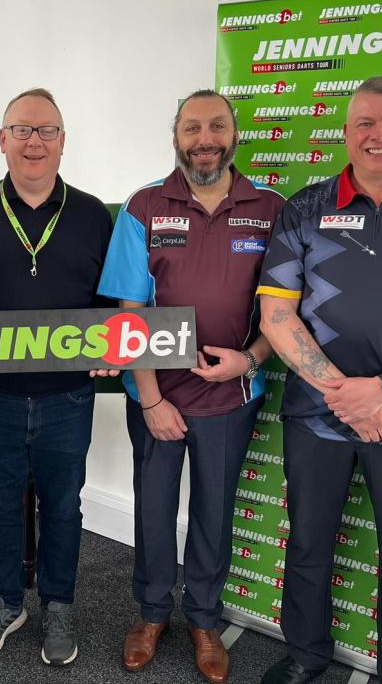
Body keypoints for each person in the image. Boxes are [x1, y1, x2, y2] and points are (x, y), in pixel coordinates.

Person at [257, 75, 382, 684]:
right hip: (318, 413)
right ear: (345, 132)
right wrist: (348, 396)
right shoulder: (305, 207)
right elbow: (276, 315)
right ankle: (305, 655)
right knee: (308, 543)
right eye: (366, 122)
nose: (379, 135)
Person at [97, 89, 285, 681]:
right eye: (192, 128)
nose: (205, 140)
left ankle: (204, 617)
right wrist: (152, 399)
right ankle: (152, 612)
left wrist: (249, 360)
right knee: (153, 509)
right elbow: (129, 314)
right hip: (157, 396)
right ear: (175, 137)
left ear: (234, 134)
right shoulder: (145, 206)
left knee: (214, 511)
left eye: (217, 127)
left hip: (232, 395)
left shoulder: (272, 208)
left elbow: (284, 310)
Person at [0, 88, 113, 666]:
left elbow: (109, 301)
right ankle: (5, 602)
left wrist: (111, 344)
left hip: (68, 397)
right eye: (22, 130)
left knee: (63, 507)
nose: (34, 141)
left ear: (63, 142)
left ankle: (58, 605)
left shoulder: (93, 214)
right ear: (2, 140)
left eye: (46, 131)